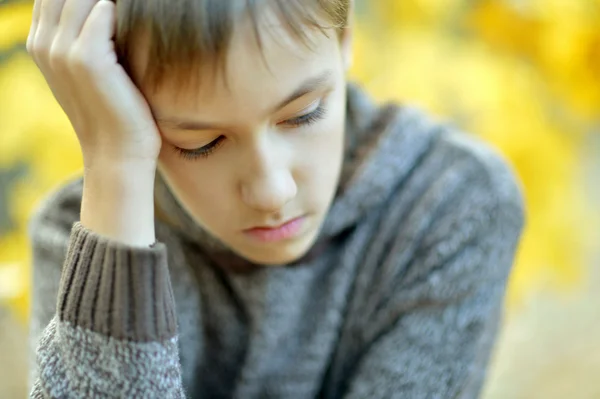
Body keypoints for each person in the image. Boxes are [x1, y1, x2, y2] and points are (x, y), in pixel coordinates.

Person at [26, 0, 525, 397]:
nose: (272, 191)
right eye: (201, 143)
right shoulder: (83, 233)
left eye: (303, 114)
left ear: (345, 33)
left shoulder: (452, 204)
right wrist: (115, 163)